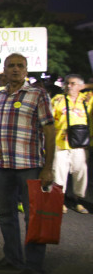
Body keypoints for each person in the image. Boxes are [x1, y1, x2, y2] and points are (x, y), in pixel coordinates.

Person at [0, 53, 55, 274]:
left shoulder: (38, 95)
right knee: (6, 214)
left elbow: (49, 131)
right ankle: (12, 257)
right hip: (3, 166)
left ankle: (34, 266)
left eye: (20, 66)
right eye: (11, 66)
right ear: (4, 70)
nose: (15, 69)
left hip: (30, 166)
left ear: (26, 70)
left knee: (33, 217)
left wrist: (48, 168)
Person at [51, 74, 92, 214]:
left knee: (81, 172)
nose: (69, 86)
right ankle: (59, 200)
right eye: (67, 83)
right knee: (59, 173)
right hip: (60, 143)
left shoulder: (87, 99)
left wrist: (84, 86)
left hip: (80, 145)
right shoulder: (58, 100)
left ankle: (76, 200)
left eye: (73, 83)